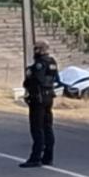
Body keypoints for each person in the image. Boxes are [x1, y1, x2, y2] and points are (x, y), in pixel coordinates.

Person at [20, 40, 58, 168]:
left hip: (39, 97)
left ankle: (35, 157)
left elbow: (36, 80)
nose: (34, 52)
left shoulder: (39, 64)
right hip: (49, 96)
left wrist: (29, 77)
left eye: (36, 49)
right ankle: (48, 157)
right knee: (47, 127)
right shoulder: (52, 62)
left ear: (40, 50)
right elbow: (55, 78)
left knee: (37, 128)